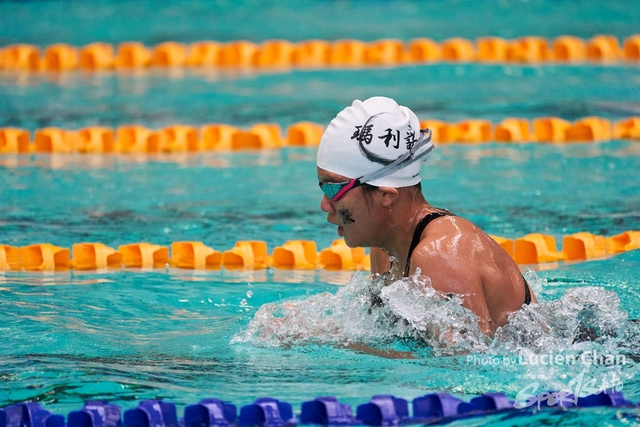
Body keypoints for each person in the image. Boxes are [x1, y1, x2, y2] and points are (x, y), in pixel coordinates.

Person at [316, 96, 537, 336]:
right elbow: (380, 331)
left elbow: (468, 363)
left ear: (386, 195)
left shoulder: (441, 255)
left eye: (333, 189)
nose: (325, 205)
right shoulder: (384, 247)